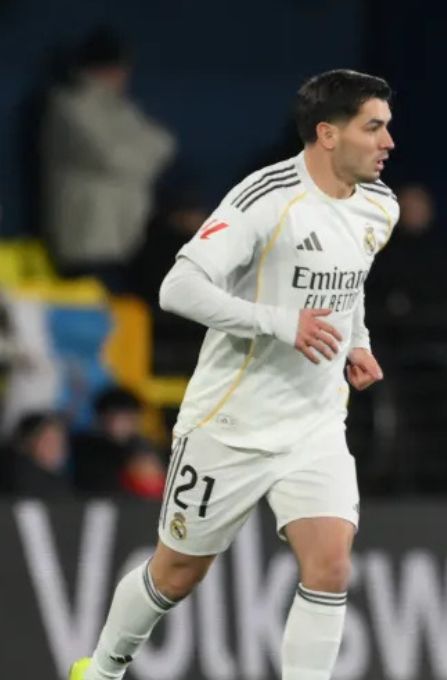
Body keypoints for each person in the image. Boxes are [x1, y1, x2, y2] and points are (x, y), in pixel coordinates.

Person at [68, 69, 396, 680]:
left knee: (330, 566)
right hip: (231, 424)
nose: (389, 142)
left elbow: (349, 285)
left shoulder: (380, 206)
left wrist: (357, 341)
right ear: (328, 134)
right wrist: (280, 323)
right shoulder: (265, 200)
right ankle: (103, 669)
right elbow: (178, 288)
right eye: (373, 127)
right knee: (176, 573)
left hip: (315, 423)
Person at [41, 27, 176, 291]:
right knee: (93, 308)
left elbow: (164, 143)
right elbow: (111, 157)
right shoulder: (69, 107)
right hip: (88, 240)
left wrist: (136, 157)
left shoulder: (121, 107)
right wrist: (140, 157)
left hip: (125, 237)